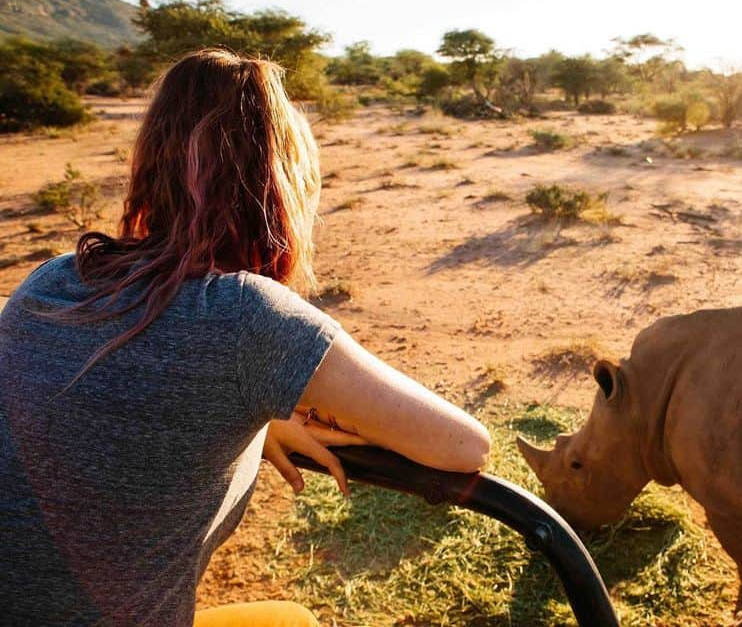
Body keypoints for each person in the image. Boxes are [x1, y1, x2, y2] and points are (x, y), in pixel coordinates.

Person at [0, 49, 492, 627]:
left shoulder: (51, 279)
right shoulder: (243, 315)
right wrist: (269, 403)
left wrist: (263, 413)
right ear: (281, 178)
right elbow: (464, 447)